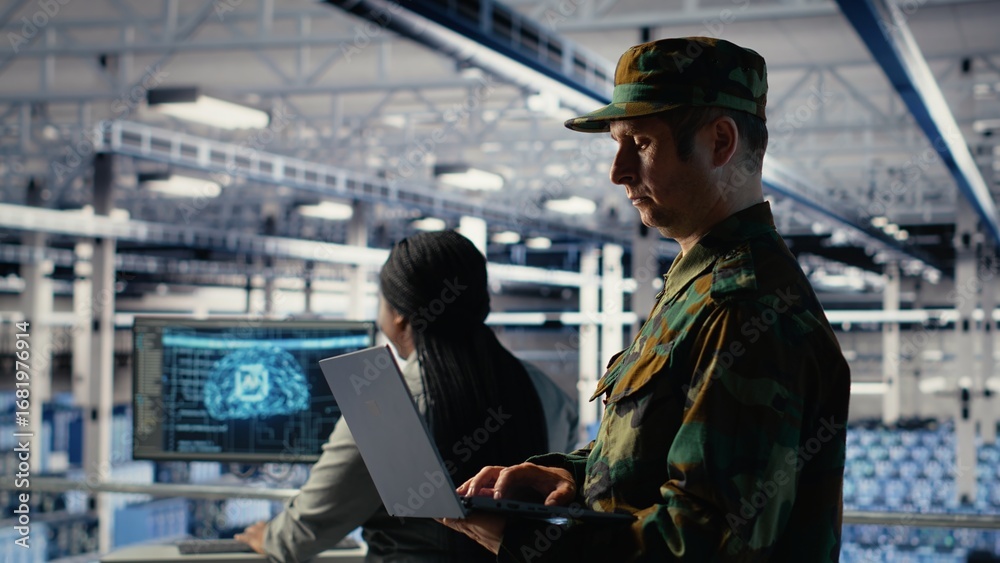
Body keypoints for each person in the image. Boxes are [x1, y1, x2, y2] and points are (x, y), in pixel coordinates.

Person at [440, 37, 851, 561]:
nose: (618, 171)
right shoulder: (698, 284)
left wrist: (526, 543)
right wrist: (567, 473)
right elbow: (655, 450)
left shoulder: (742, 308)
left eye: (639, 142)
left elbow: (704, 543)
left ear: (719, 143)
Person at [235, 230, 579, 562]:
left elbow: (309, 527)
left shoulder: (382, 403)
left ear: (398, 314)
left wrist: (270, 538)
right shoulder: (548, 393)